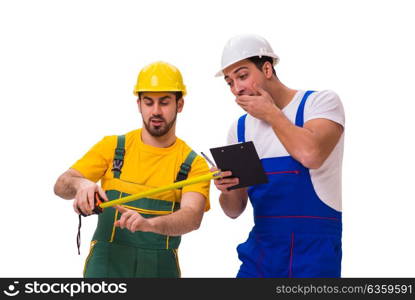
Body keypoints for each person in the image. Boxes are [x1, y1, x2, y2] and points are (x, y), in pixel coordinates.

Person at [54, 61, 210, 278]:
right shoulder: (114, 148)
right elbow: (61, 185)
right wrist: (82, 184)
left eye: (164, 102)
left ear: (180, 104)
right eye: (148, 102)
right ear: (139, 104)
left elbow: (192, 217)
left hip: (160, 269)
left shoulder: (194, 164)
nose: (155, 111)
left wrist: (149, 224)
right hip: (107, 265)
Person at [213, 34, 345, 277]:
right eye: (230, 82)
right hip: (261, 254)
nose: (237, 88)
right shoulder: (240, 129)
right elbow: (234, 210)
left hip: (314, 254)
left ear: (267, 68)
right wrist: (227, 189)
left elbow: (311, 154)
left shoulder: (319, 103)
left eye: (242, 76)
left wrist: (271, 114)